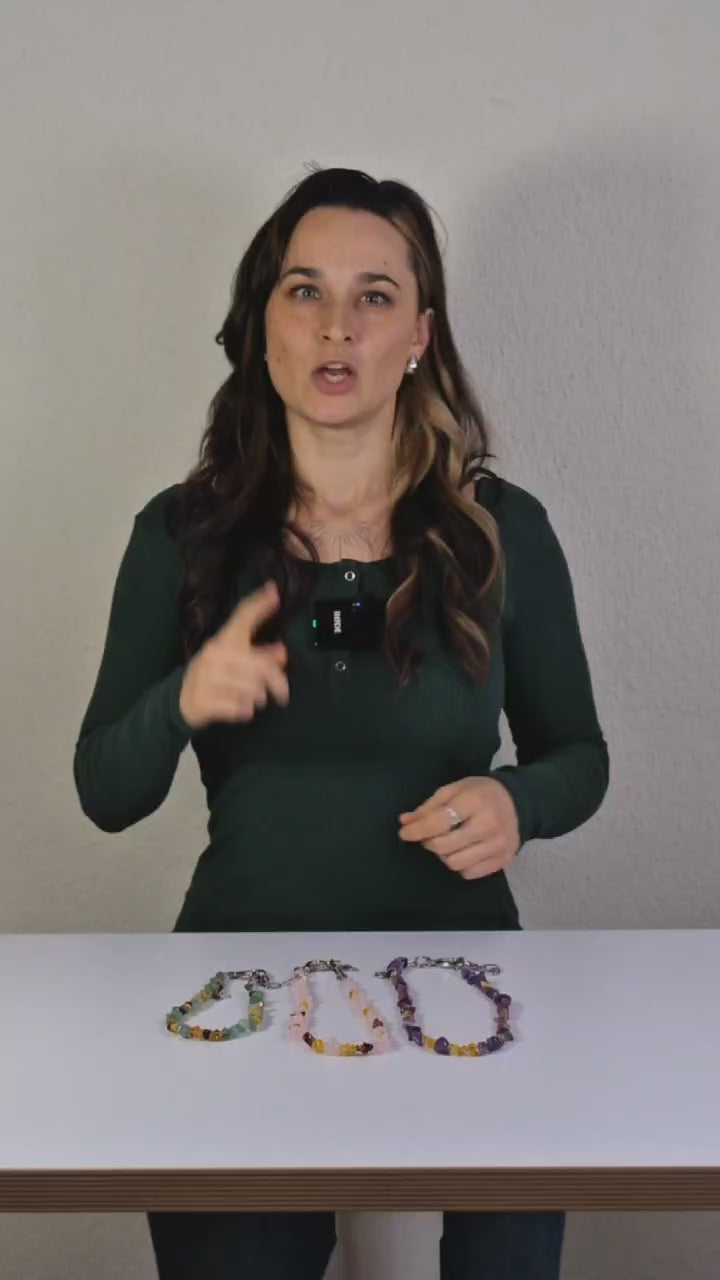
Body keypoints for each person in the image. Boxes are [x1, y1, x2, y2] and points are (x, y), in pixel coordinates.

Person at [73, 165, 609, 1280]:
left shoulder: (502, 531)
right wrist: (182, 699)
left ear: (419, 335)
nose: (336, 325)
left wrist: (519, 800)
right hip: (242, 982)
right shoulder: (182, 536)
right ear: (261, 324)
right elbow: (104, 791)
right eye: (305, 290)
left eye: (374, 296)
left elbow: (581, 757)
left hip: (467, 984)